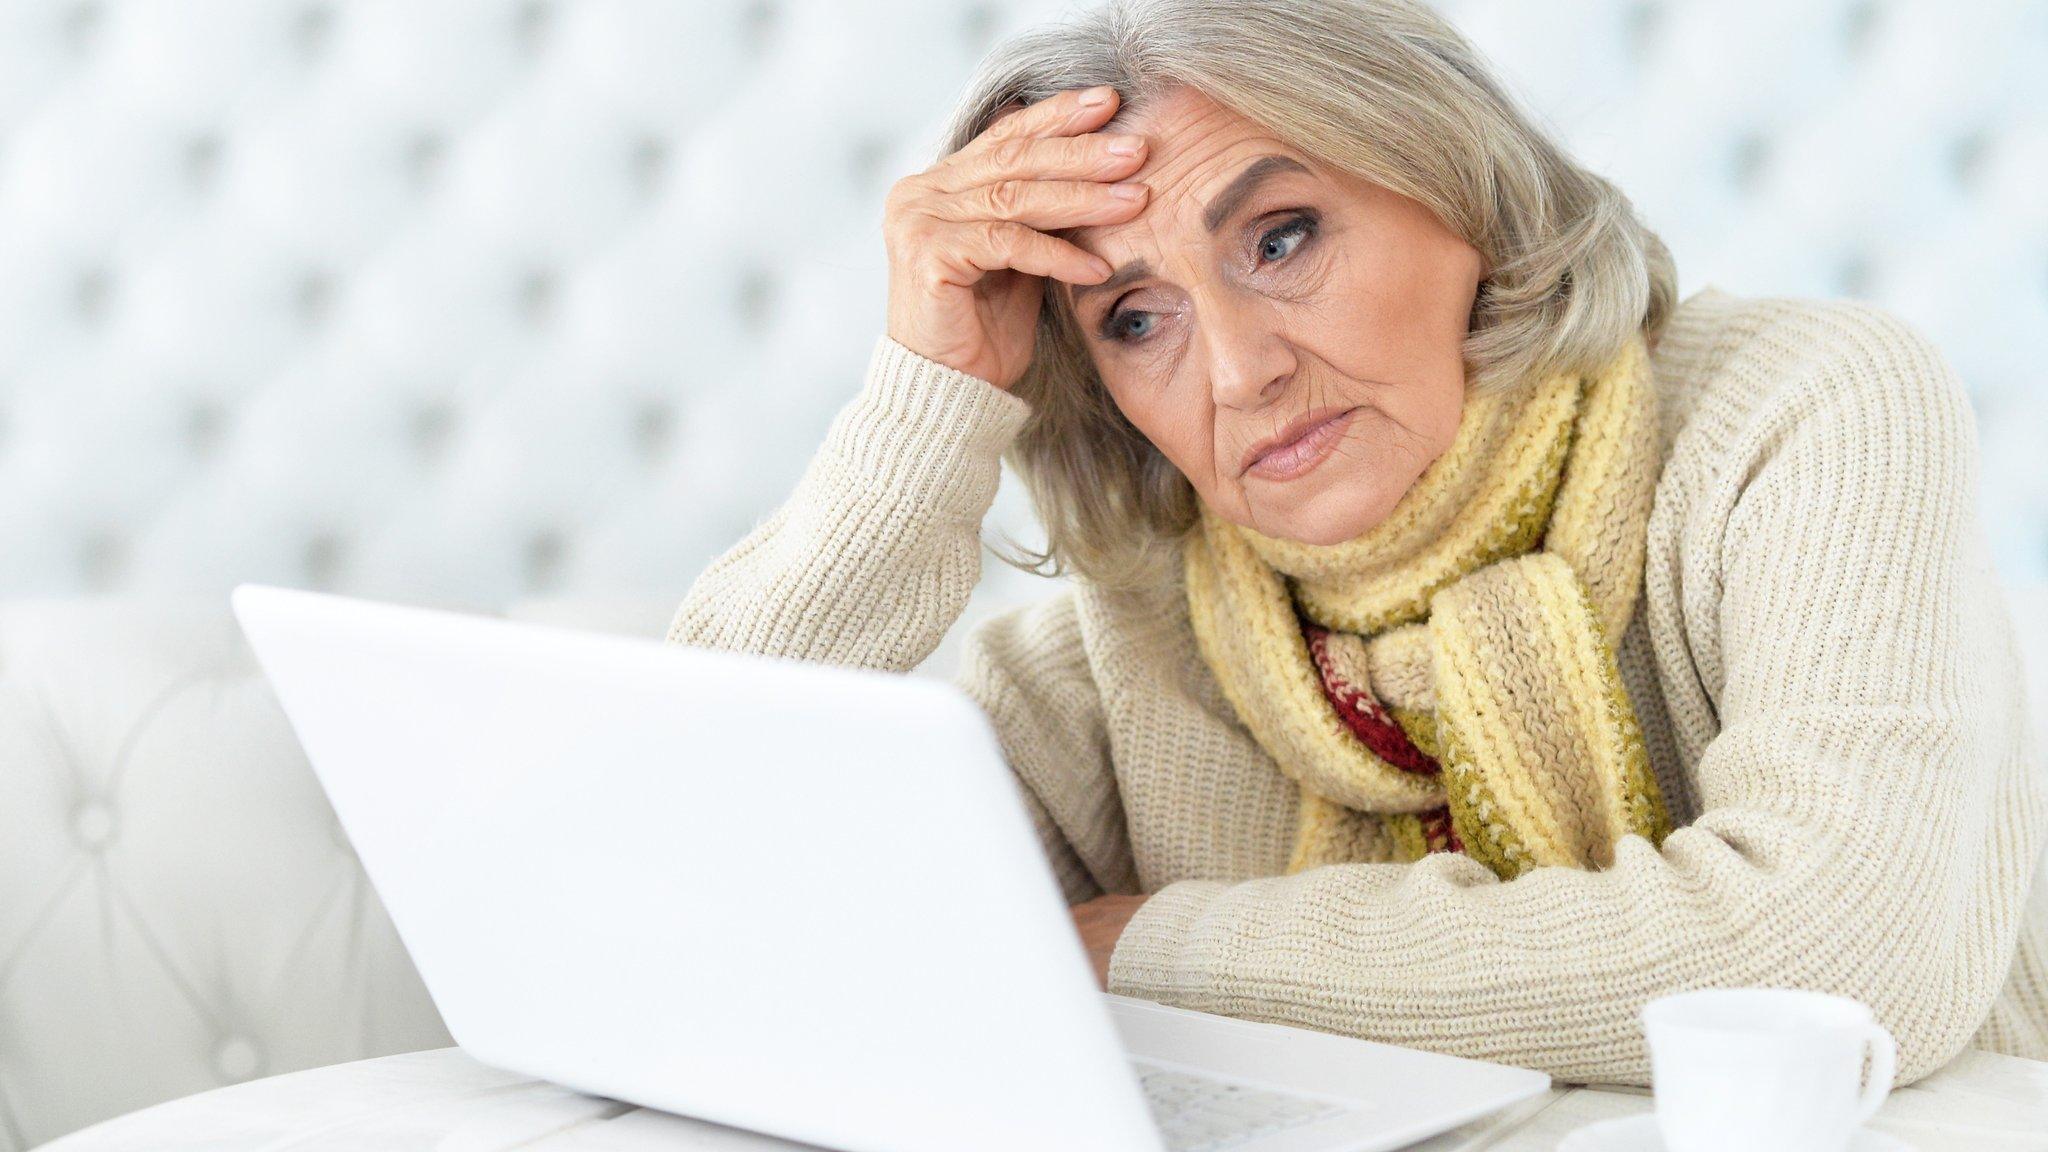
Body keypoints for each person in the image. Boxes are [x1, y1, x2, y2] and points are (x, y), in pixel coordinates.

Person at [666, 0, 2046, 1088]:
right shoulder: (1143, 610)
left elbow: (1843, 957)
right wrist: (929, 391)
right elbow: (691, 853)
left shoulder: (1807, 409)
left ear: (1466, 195)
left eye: (1280, 236)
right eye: (1136, 320)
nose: (1238, 373)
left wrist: (1155, 948)